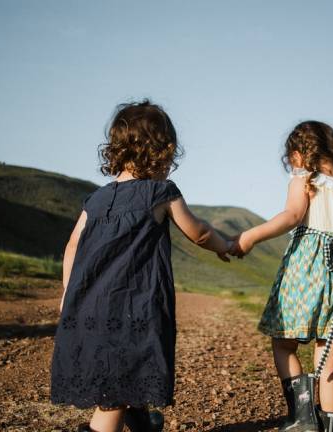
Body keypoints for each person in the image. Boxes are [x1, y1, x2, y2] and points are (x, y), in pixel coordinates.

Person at [50, 100, 232, 432]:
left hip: (88, 304)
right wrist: (227, 245)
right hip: (133, 307)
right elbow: (200, 232)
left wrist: (68, 292)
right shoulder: (161, 192)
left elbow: (73, 244)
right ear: (163, 151)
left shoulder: (96, 199)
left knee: (122, 374)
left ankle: (143, 425)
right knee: (114, 395)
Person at [231, 121, 333, 432]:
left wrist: (249, 237)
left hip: (307, 275)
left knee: (283, 343)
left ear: (301, 154)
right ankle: (328, 426)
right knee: (329, 362)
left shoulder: (304, 181)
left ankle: (302, 417)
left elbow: (291, 216)